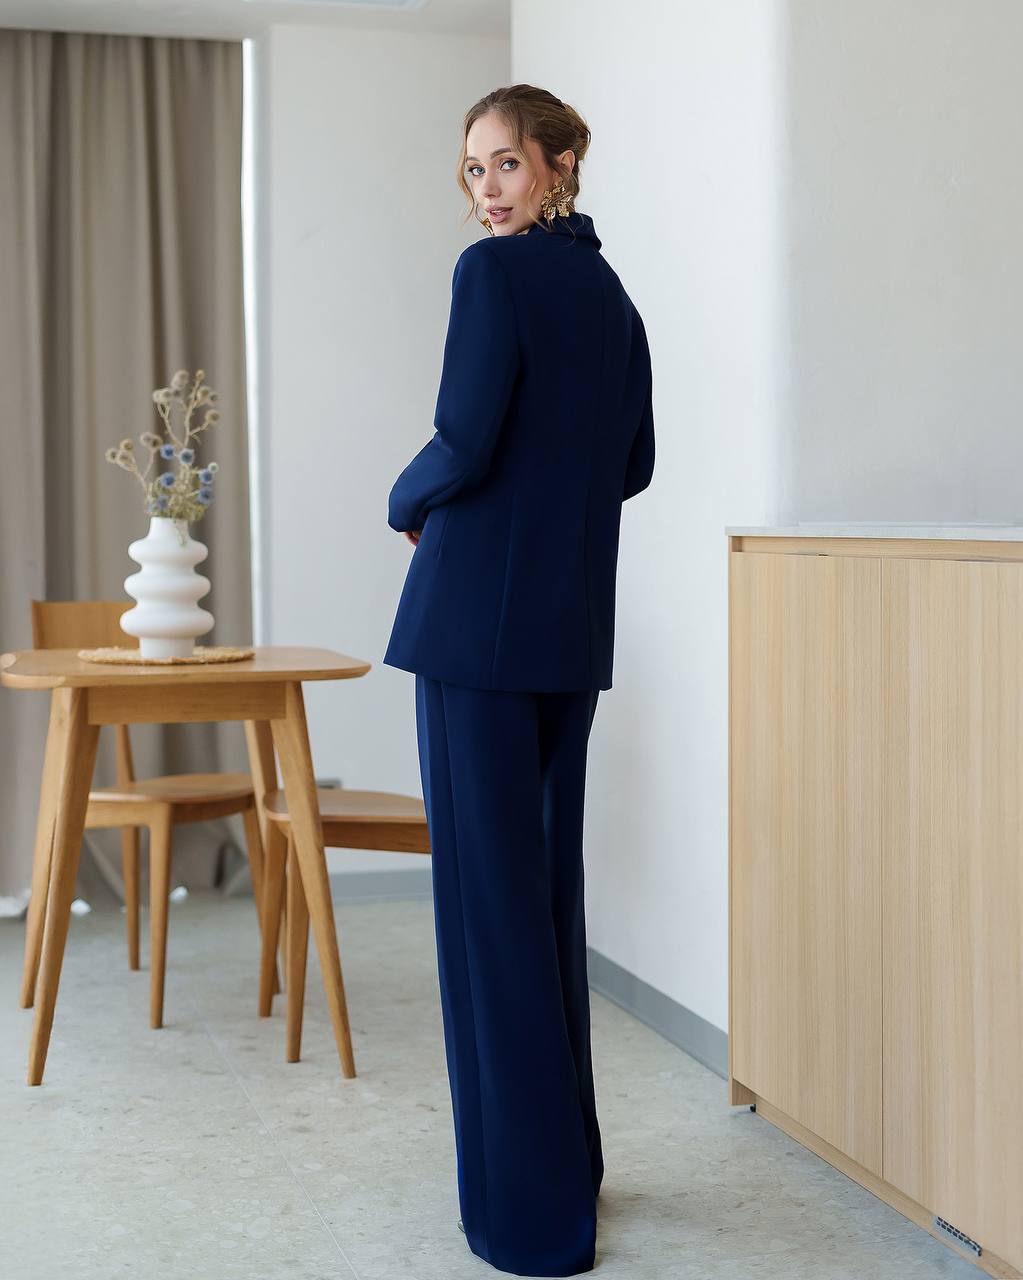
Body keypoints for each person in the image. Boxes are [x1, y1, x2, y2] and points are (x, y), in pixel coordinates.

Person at [382, 84, 655, 1277]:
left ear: (560, 162)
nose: (486, 189)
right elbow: (633, 462)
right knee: (545, 900)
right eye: (474, 171)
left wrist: (406, 502)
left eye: (504, 164)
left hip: (471, 637)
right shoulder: (614, 296)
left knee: (489, 913)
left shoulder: (487, 278)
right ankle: (570, 1173)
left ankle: (528, 1217)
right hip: (563, 633)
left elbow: (462, 434)